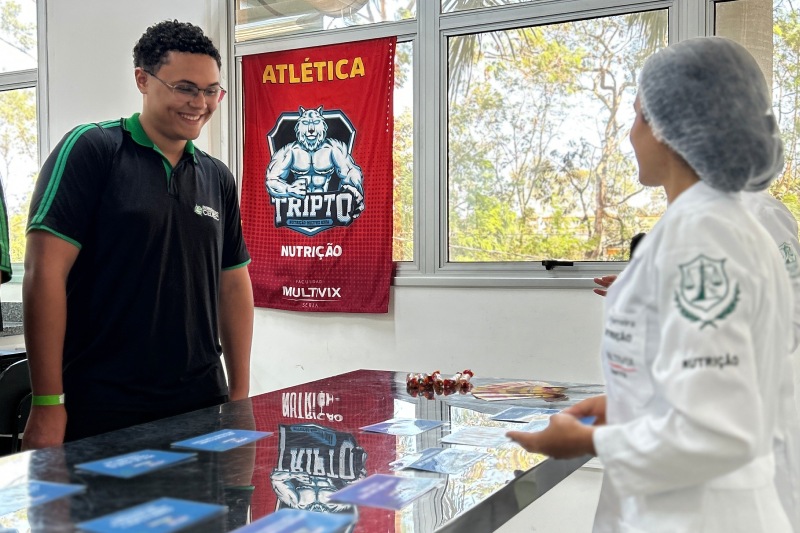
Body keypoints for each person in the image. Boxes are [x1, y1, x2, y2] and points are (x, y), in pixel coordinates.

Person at [508, 37, 793, 532]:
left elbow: (719, 433)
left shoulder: (705, 237)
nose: (630, 134)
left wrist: (584, 441)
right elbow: (695, 383)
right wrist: (621, 407)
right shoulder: (698, 226)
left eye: (639, 116)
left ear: (671, 128)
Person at [21, 20, 254, 449]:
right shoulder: (93, 149)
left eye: (210, 91)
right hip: (104, 405)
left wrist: (239, 395)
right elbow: (43, 273)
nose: (200, 103)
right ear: (143, 80)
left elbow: (234, 286)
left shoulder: (217, 177)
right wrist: (48, 402)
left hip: (202, 402)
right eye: (186, 88)